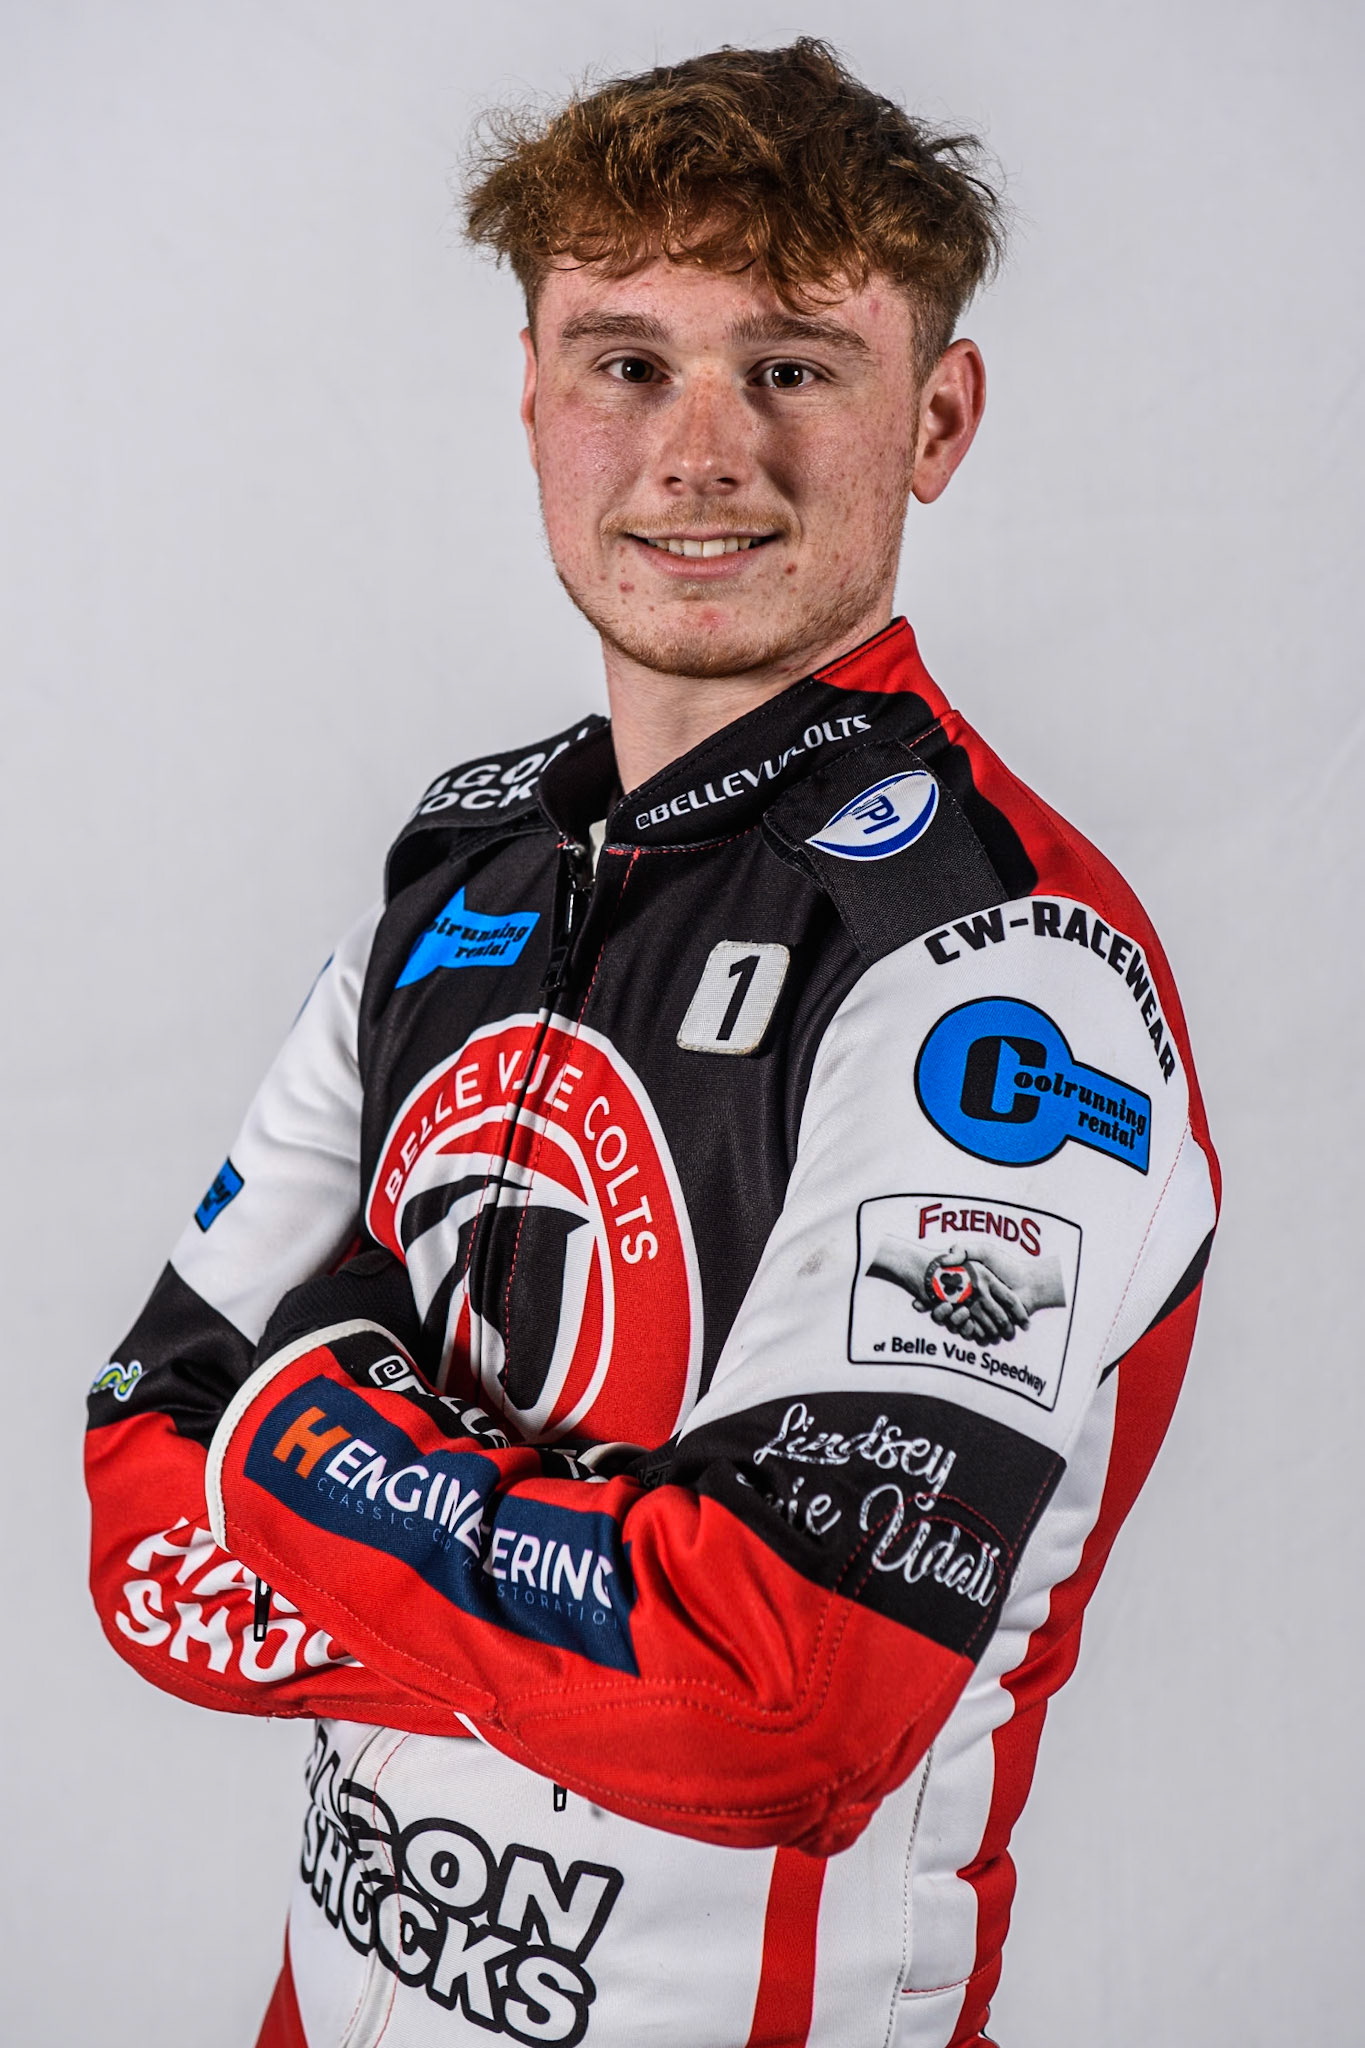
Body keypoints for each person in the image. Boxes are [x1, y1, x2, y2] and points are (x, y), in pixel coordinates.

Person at [84, 39, 1219, 2048]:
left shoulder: (999, 967)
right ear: (529, 402)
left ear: (934, 415)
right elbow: (137, 1530)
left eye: (791, 364)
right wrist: (575, 1619)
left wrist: (300, 1429)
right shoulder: (452, 883)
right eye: (626, 362)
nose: (702, 455)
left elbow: (776, 1703)